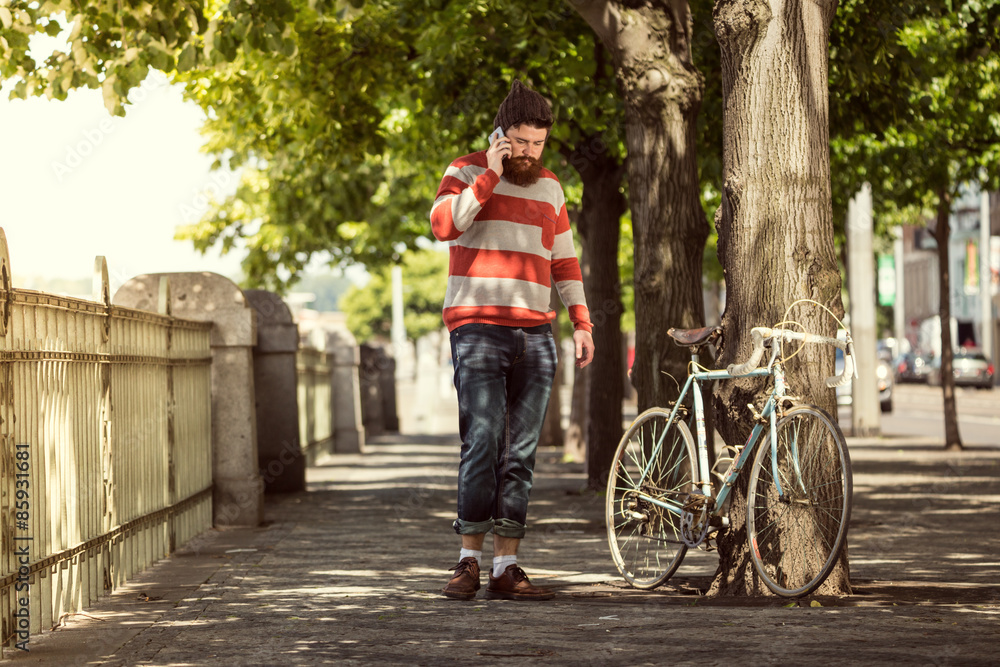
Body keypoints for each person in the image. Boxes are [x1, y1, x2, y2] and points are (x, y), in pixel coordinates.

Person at [430, 80, 596, 601]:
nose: (528, 152)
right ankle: (467, 562)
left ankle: (507, 566)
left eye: (537, 144)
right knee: (482, 442)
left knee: (520, 453)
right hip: (477, 327)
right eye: (520, 142)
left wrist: (582, 320)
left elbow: (564, 261)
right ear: (501, 135)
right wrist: (489, 178)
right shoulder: (465, 170)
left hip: (536, 332)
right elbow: (441, 228)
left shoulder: (550, 187)